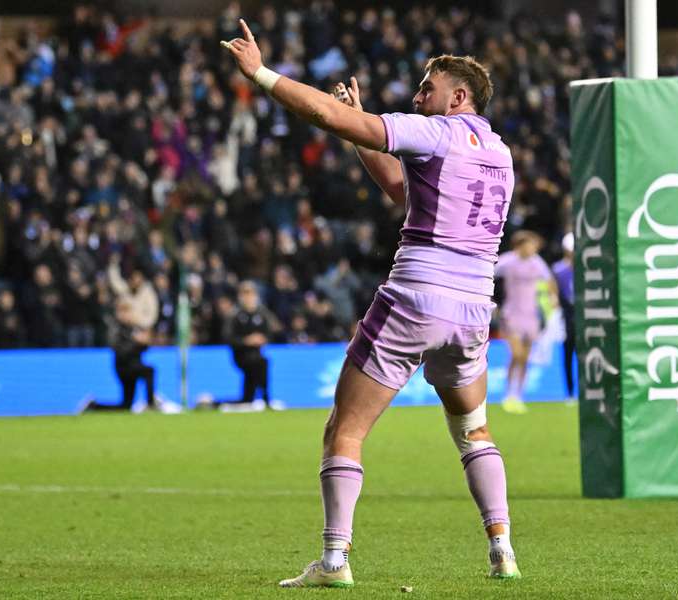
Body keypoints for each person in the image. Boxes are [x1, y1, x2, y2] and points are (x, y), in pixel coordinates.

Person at [223, 20, 520, 587]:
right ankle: (502, 547)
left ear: (458, 97)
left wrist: (261, 73)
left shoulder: (436, 133)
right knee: (474, 431)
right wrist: (364, 135)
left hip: (415, 295)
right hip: (474, 308)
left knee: (345, 430)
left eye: (427, 88)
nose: (417, 97)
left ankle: (334, 561)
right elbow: (404, 194)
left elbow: (327, 115)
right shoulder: (501, 154)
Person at [495, 230, 556, 414]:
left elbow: (550, 280)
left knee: (525, 358)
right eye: (529, 245)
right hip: (512, 314)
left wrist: (553, 296)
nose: (533, 248)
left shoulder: (536, 262)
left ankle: (518, 395)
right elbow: (490, 272)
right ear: (520, 246)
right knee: (517, 354)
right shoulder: (508, 260)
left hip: (531, 315)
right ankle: (508, 394)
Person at [219, 281, 277, 412]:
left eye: (250, 294)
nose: (248, 297)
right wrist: (247, 341)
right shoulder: (234, 315)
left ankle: (248, 399)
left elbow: (272, 332)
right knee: (260, 363)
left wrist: (263, 339)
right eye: (245, 294)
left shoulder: (262, 313)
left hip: (256, 353)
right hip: (240, 354)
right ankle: (265, 398)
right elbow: (228, 337)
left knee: (260, 364)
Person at [552, 232, 576, 403]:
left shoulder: (588, 268)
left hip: (585, 319)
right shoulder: (558, 270)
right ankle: (570, 393)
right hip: (566, 318)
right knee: (567, 356)